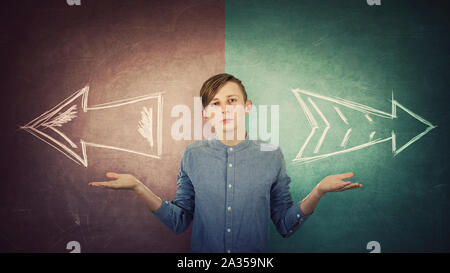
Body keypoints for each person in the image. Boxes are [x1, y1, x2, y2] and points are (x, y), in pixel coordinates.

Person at [88, 73, 362, 253]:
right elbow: (179, 221)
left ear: (247, 106)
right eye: (216, 103)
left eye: (232, 100)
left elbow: (284, 224)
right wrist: (138, 187)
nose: (225, 109)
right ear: (206, 113)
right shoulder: (192, 155)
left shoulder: (272, 155)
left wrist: (318, 191)